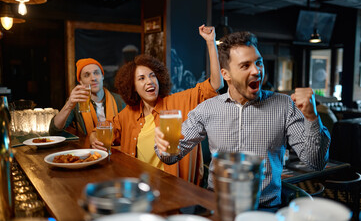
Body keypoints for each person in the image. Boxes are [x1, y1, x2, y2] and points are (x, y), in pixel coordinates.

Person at [155, 31, 331, 209]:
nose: (256, 71)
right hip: (217, 206)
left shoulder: (284, 105)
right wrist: (164, 146)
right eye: (245, 66)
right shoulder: (207, 109)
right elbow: (170, 157)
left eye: (258, 62)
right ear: (226, 74)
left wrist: (311, 117)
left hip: (266, 210)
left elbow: (316, 162)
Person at [89, 25, 223, 185]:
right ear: (133, 87)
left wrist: (210, 42)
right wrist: (93, 135)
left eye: (152, 76)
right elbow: (106, 129)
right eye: (141, 78)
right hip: (140, 187)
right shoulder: (128, 114)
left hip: (174, 189)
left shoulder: (177, 102)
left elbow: (215, 83)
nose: (149, 81)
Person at [49, 58, 125, 136]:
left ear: (102, 76)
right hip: (88, 147)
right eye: (87, 75)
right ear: (81, 81)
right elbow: (54, 131)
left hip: (115, 147)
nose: (93, 78)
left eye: (96, 73)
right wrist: (68, 105)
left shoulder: (120, 101)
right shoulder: (76, 103)